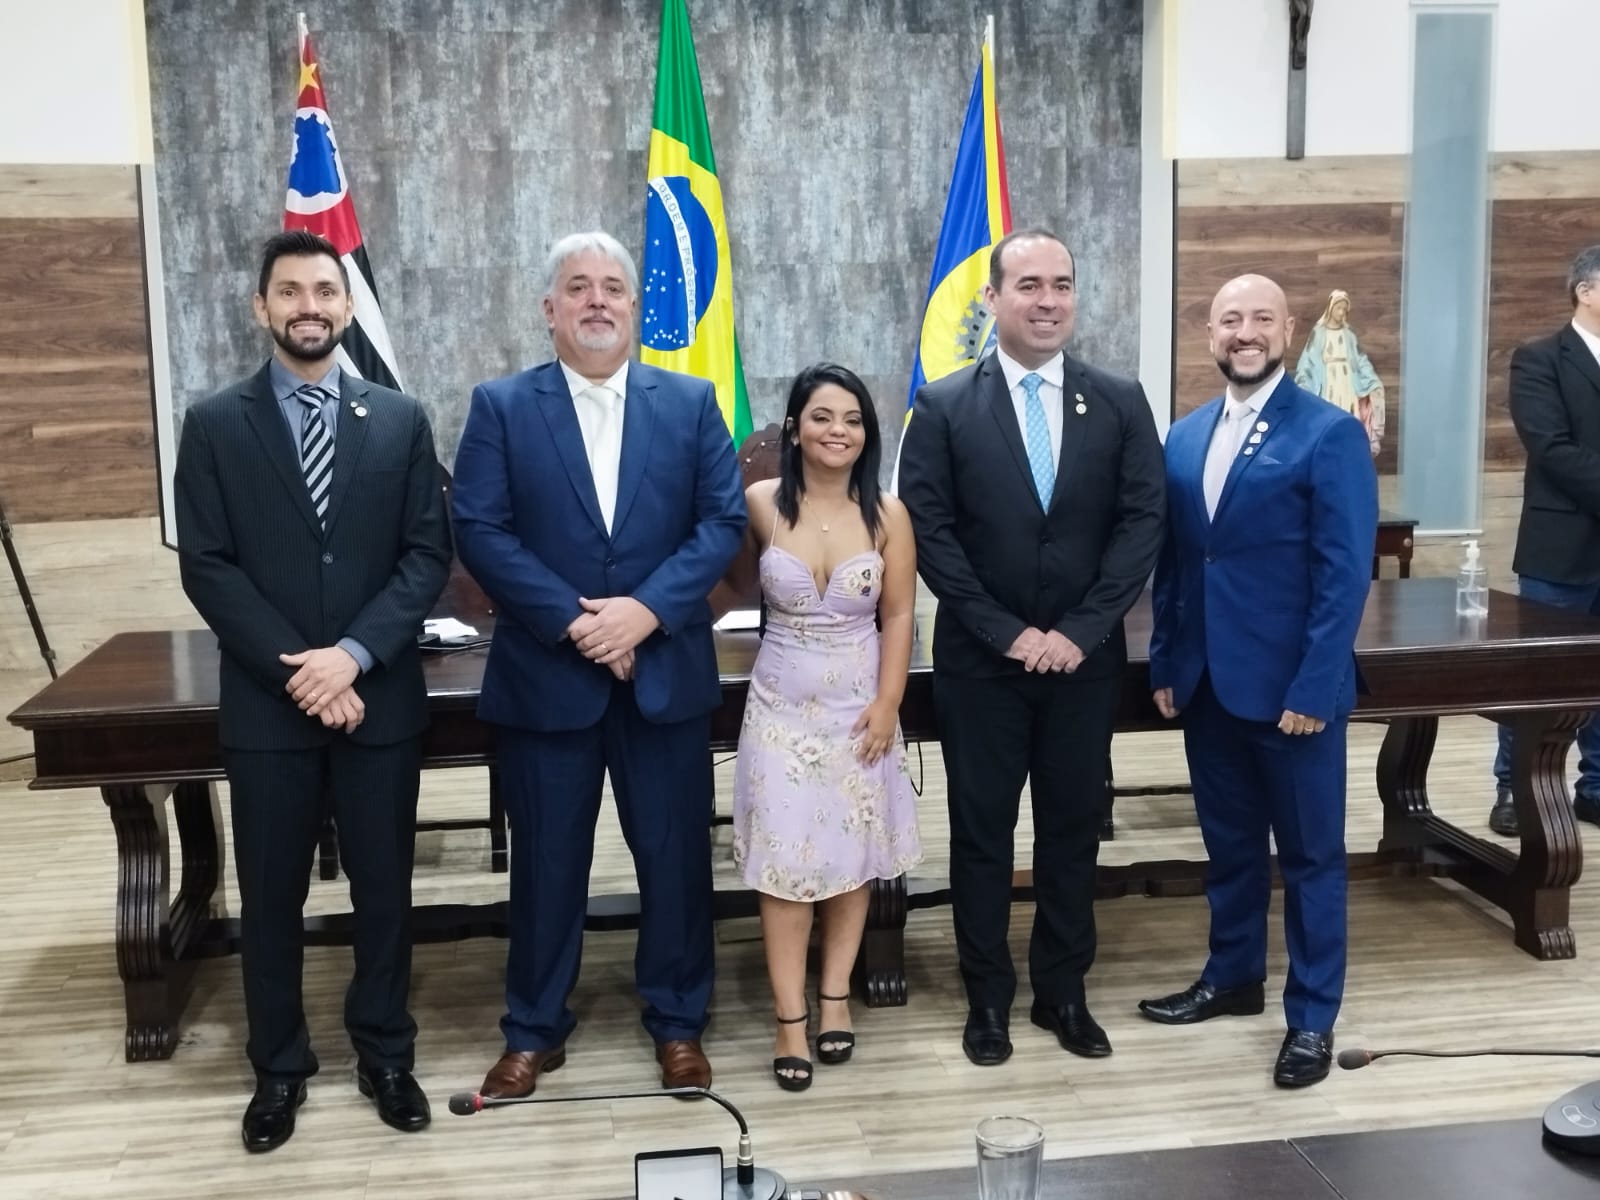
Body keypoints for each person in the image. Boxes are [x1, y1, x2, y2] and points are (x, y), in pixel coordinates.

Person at [451, 231, 746, 1100]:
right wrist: (579, 626)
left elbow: (721, 524)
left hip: (664, 676)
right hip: (551, 678)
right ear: (550, 309)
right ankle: (534, 1030)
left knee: (675, 861)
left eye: (613, 287)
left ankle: (680, 1022)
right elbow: (482, 530)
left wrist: (645, 612)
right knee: (547, 864)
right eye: (577, 287)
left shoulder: (691, 403)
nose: (597, 301)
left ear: (634, 308)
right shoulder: (501, 406)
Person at [174, 229, 451, 1151]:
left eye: (324, 291)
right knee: (273, 898)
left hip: (377, 702)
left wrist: (356, 656)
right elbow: (209, 568)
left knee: (384, 893)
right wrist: (305, 668)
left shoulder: (401, 420)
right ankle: (279, 1068)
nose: (308, 307)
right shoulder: (214, 423)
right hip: (270, 708)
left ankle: (385, 1052)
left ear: (347, 304)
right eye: (288, 292)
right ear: (262, 308)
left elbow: (424, 557)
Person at [897, 227, 1166, 1067]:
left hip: (1084, 666)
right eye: (1029, 286)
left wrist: (1078, 632)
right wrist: (1009, 632)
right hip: (982, 665)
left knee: (1073, 830)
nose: (1048, 301)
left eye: (1062, 285)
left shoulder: (1118, 398)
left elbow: (1141, 522)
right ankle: (988, 1001)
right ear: (993, 298)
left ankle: (1063, 993)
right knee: (981, 834)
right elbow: (930, 534)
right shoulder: (942, 406)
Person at [1141, 273, 1377, 1089]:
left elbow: (1344, 574)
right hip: (1208, 685)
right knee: (1230, 849)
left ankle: (1311, 1018)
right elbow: (1178, 564)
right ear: (1209, 333)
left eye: (1262, 319)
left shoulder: (1327, 433)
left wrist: (1315, 686)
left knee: (1311, 859)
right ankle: (1233, 977)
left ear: (1289, 332)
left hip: (1293, 695)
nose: (1245, 331)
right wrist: (1169, 660)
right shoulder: (1184, 434)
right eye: (1229, 318)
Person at [714, 363, 923, 1092]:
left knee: (851, 858)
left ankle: (837, 999)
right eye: (823, 417)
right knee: (784, 866)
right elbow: (723, 586)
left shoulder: (889, 515)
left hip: (859, 710)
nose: (838, 431)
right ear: (795, 427)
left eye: (853, 420)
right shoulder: (761, 502)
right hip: (779, 707)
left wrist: (890, 701)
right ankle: (788, 1018)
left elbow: (898, 613)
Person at [1487, 245, 1600, 836]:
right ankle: (1515, 786)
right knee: (1538, 673)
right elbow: (1552, 448)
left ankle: (1597, 787)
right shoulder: (1539, 359)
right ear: (1585, 290)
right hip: (1561, 548)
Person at [1294, 289, 1386, 456]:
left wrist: (1372, 381)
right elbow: (1309, 359)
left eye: (1344, 309)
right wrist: (1304, 383)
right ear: (1331, 308)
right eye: (1339, 308)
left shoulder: (1349, 334)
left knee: (1349, 416)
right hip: (1329, 381)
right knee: (1328, 417)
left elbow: (1360, 360)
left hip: (1347, 382)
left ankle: (1349, 453)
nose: (1342, 312)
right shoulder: (1319, 333)